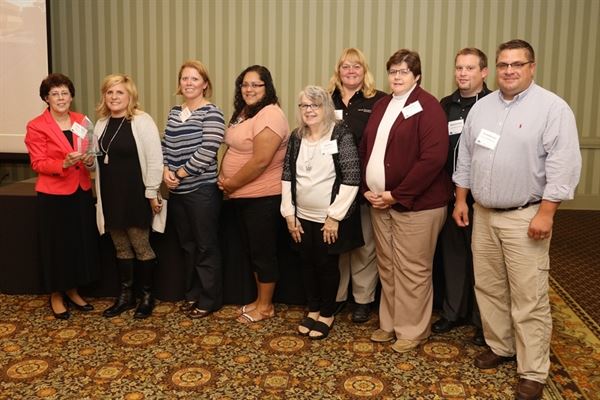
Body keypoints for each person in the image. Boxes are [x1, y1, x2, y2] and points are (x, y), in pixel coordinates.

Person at [453, 39, 581, 400]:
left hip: (526, 216)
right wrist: (461, 199)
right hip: (483, 214)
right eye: (503, 64)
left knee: (529, 296)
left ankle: (533, 370)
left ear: (532, 67)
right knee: (489, 287)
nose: (509, 71)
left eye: (517, 64)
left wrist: (546, 212)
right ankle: (500, 346)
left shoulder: (552, 109)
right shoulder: (483, 108)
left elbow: (563, 165)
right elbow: (466, 156)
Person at [360, 49, 452, 353]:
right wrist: (367, 187)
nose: (397, 77)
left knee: (413, 269)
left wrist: (397, 194)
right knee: (387, 266)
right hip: (378, 202)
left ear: (417, 76)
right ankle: (391, 323)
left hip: (417, 205)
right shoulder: (383, 104)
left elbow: (433, 159)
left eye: (403, 72)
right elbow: (367, 148)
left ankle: (413, 330)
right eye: (393, 71)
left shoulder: (428, 107)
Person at [281, 86, 362, 340]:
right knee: (306, 263)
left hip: (328, 219)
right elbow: (287, 175)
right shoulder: (296, 137)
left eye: (315, 105)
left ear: (326, 107)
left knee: (326, 265)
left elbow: (351, 178)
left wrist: (334, 217)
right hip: (301, 216)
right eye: (304, 105)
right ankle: (313, 308)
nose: (309, 110)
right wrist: (289, 214)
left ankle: (327, 313)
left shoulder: (340, 134)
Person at [218, 65, 290, 324]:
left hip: (263, 197)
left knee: (263, 252)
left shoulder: (270, 114)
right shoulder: (245, 113)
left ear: (266, 87)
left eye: (256, 85)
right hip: (243, 197)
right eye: (244, 84)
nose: (249, 89)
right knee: (253, 251)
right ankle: (260, 301)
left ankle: (266, 306)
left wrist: (231, 184)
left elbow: (260, 161)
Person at [25, 73, 97, 320]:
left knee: (78, 244)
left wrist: (89, 159)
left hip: (81, 191)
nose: (60, 98)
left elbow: (92, 152)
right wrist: (62, 163)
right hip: (54, 195)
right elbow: (37, 162)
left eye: (64, 93)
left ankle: (73, 290)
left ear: (71, 96)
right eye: (54, 94)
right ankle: (56, 294)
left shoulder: (82, 120)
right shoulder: (36, 125)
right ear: (46, 98)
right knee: (57, 246)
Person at [433, 48, 492, 345]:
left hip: (484, 196)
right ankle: (453, 312)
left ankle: (484, 322)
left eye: (470, 68)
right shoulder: (445, 105)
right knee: (453, 255)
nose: (463, 73)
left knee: (485, 262)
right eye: (459, 68)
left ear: (483, 72)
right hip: (450, 193)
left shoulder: (495, 105)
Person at [94, 74, 163, 319]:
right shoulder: (101, 124)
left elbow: (155, 160)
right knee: (120, 247)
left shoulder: (142, 121)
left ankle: (146, 296)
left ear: (130, 96)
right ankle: (126, 296)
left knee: (141, 246)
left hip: (135, 195)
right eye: (110, 92)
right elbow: (97, 161)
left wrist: (152, 192)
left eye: (119, 92)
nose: (114, 97)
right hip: (111, 196)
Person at [327, 48, 386, 323]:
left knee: (364, 245)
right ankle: (337, 296)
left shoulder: (379, 102)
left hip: (364, 186)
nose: (350, 71)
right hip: (330, 186)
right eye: (345, 66)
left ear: (365, 71)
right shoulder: (326, 100)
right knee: (336, 243)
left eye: (357, 66)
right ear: (338, 71)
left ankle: (362, 299)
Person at [162, 60, 225, 319]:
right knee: (187, 246)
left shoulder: (212, 112)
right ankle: (193, 294)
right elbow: (166, 144)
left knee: (205, 246)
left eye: (194, 79)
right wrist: (166, 169)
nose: (188, 83)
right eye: (185, 78)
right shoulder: (174, 112)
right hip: (177, 192)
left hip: (202, 191)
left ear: (205, 84)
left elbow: (208, 150)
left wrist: (179, 173)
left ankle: (210, 299)